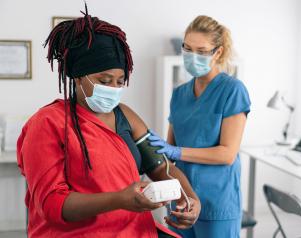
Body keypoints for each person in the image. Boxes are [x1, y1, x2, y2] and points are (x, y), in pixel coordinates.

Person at [16, 6, 200, 238]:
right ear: (78, 76)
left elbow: (161, 166)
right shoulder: (46, 124)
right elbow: (52, 204)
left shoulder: (124, 116)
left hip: (133, 230)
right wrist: (119, 199)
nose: (113, 89)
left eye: (120, 81)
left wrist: (189, 198)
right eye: (104, 80)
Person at [148, 15, 251, 238]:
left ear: (218, 52)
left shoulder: (232, 90)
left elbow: (227, 154)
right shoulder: (179, 94)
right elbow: (170, 150)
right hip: (182, 199)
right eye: (187, 48)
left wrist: (177, 151)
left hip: (217, 202)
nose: (192, 56)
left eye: (201, 51)